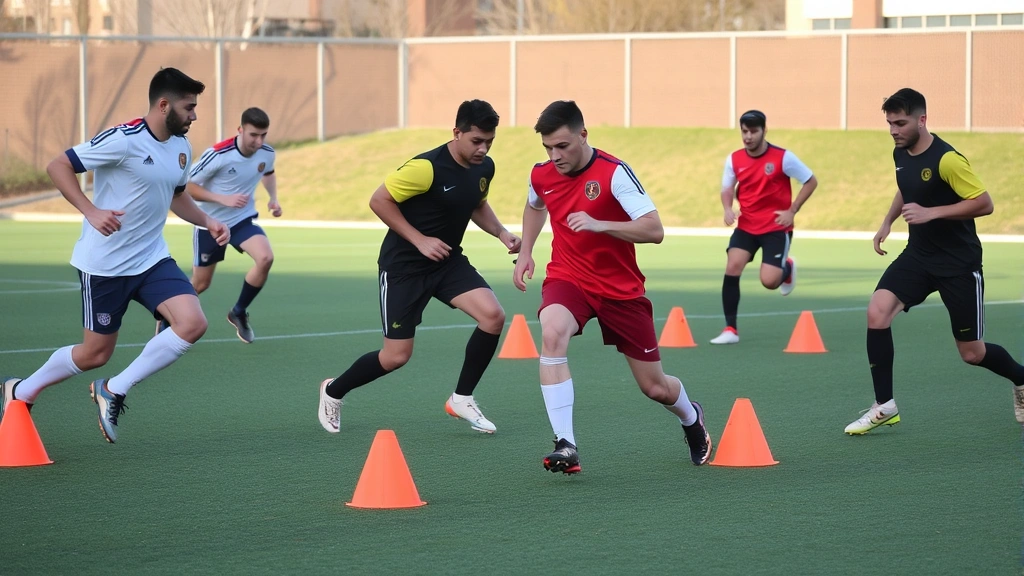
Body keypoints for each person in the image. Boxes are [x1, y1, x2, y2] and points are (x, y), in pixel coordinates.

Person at [0, 68, 228, 443]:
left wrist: (206, 220)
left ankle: (114, 389)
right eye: (189, 108)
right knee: (95, 353)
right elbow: (58, 165)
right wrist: (91, 211)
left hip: (152, 259)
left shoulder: (182, 148)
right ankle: (21, 391)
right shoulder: (123, 139)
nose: (195, 116)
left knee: (192, 322)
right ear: (164, 104)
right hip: (104, 266)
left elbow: (176, 195)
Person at [513, 100, 711, 474]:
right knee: (553, 332)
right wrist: (526, 250)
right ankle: (565, 444)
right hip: (568, 277)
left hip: (621, 291)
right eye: (548, 149)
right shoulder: (541, 175)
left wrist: (601, 224)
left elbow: (655, 230)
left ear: (583, 135)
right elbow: (534, 205)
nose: (555, 156)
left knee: (655, 388)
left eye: (563, 146)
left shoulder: (614, 173)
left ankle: (690, 416)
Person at [316, 99, 520, 435]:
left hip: (446, 261)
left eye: (489, 142)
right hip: (404, 267)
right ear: (456, 133)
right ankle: (333, 390)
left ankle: (462, 398)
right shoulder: (426, 167)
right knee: (396, 356)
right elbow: (378, 200)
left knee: (493, 316)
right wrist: (419, 239)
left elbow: (477, 203)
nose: (483, 149)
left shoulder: (485, 167)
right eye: (476, 141)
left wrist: (501, 232)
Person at [845, 87, 1024, 435]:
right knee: (877, 311)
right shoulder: (901, 152)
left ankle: (1021, 378)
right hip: (919, 256)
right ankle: (885, 405)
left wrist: (932, 213)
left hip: (958, 264)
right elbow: (906, 186)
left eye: (900, 123)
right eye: (889, 124)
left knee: (972, 353)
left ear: (922, 120)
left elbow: (984, 203)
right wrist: (887, 221)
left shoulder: (948, 159)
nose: (894, 130)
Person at [158, 107, 280, 343]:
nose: (259, 140)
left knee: (265, 258)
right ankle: (167, 316)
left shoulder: (266, 153)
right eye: (254, 135)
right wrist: (223, 199)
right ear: (240, 130)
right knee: (202, 283)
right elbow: (188, 187)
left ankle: (238, 311)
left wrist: (273, 198)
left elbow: (268, 172)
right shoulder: (218, 154)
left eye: (263, 135)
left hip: (241, 220)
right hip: (209, 223)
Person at [710, 110, 818, 345]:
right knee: (732, 266)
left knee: (769, 281)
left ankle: (786, 269)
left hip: (776, 227)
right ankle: (730, 329)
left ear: (764, 131)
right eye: (744, 132)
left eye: (753, 131)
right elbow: (727, 188)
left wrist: (793, 210)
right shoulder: (734, 159)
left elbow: (810, 180)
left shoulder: (783, 158)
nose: (748, 137)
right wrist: (728, 208)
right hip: (747, 226)